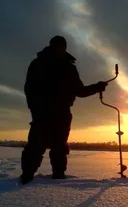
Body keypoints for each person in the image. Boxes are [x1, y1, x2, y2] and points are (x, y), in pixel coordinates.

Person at [20, 35, 108, 184]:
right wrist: (35, 109)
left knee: (59, 148)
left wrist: (96, 87)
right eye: (57, 46)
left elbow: (79, 91)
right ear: (51, 46)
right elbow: (29, 89)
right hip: (42, 114)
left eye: (62, 47)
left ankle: (58, 178)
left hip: (61, 114)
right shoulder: (38, 64)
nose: (60, 49)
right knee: (35, 146)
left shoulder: (69, 67)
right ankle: (26, 177)